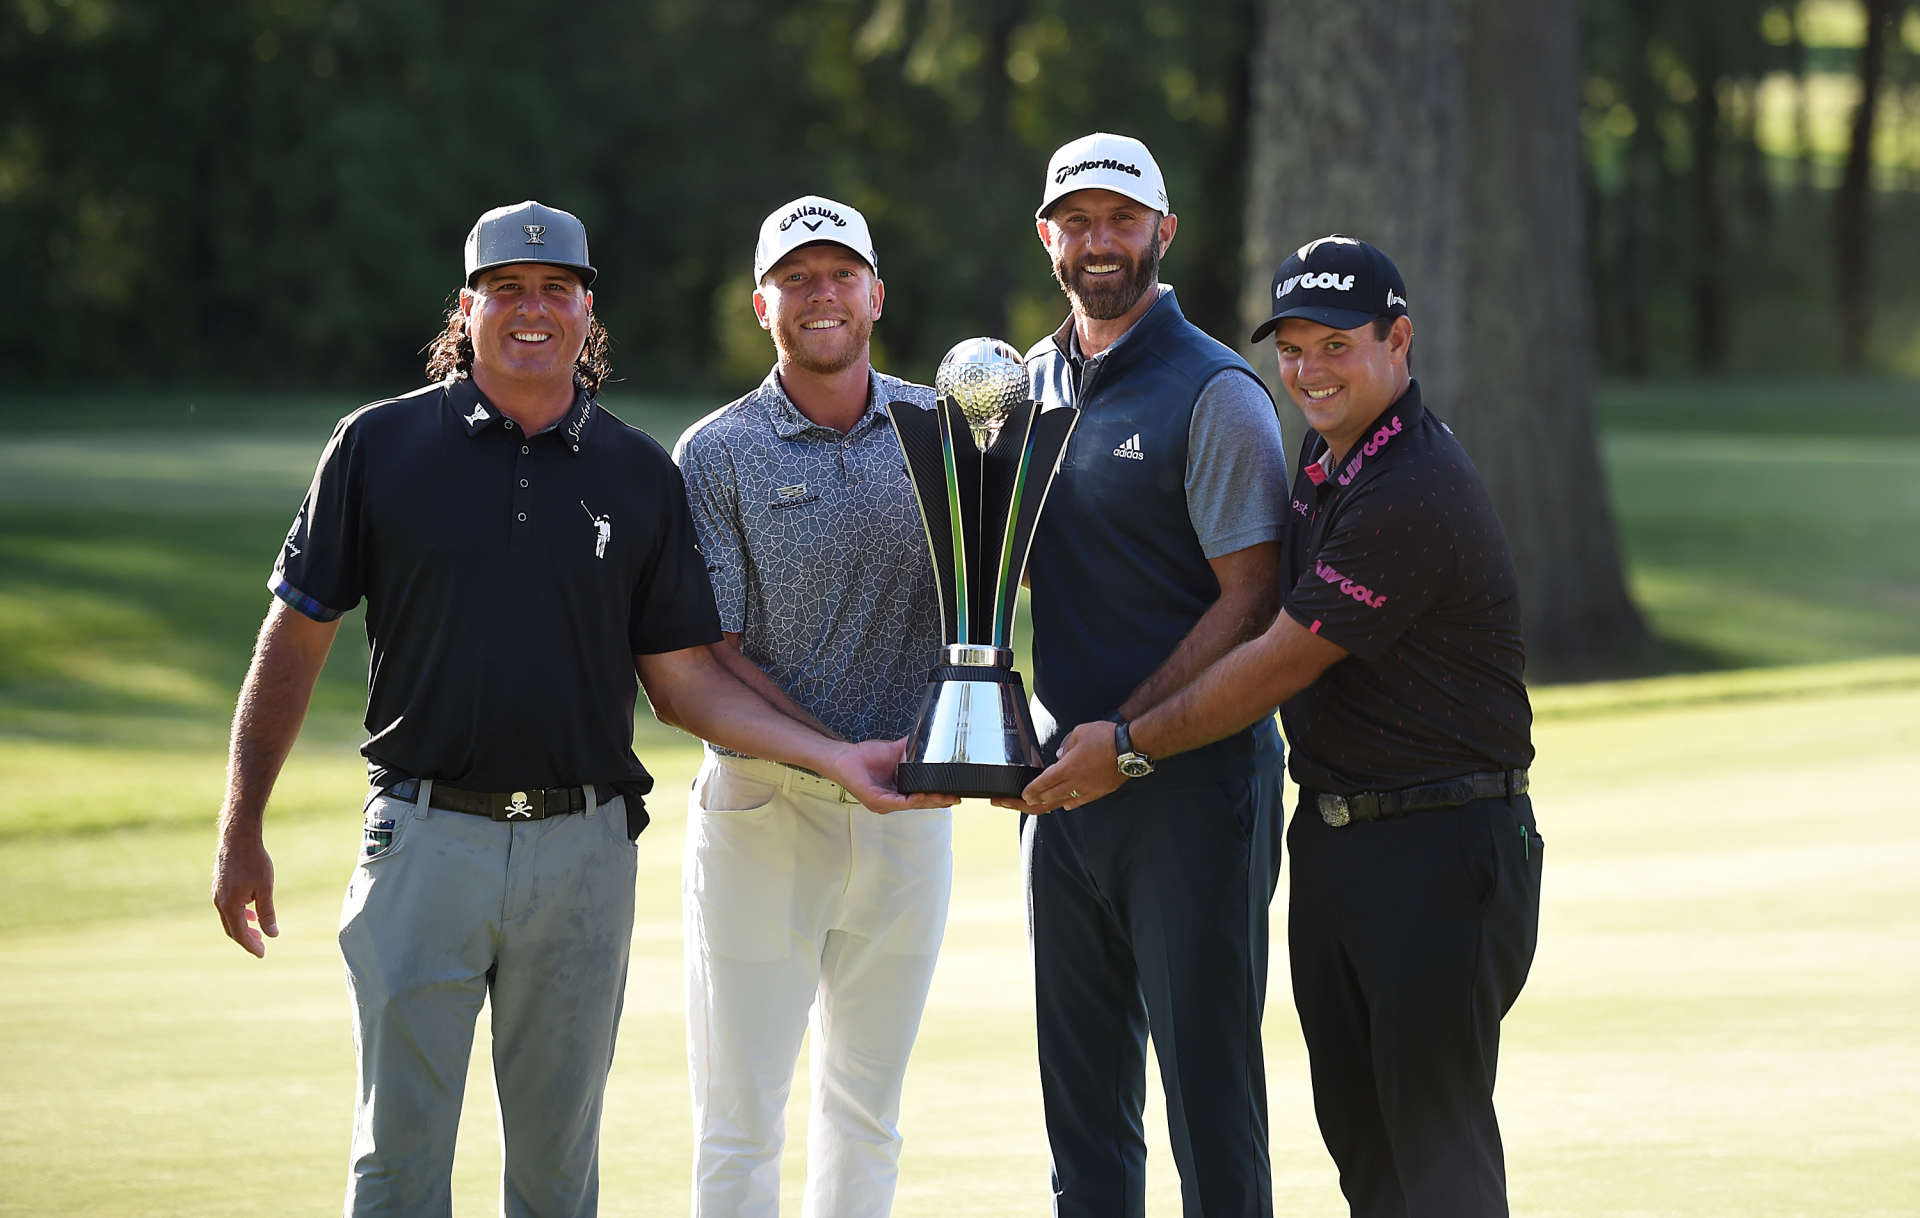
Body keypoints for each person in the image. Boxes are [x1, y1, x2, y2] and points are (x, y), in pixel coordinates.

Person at [208, 200, 942, 1218]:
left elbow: (682, 679)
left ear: (587, 309)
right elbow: (295, 636)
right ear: (467, 309)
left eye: (556, 290)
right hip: (423, 838)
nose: (532, 310)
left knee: (559, 1181)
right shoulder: (378, 447)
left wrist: (849, 757)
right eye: (507, 289)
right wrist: (240, 827)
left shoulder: (636, 470)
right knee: (397, 1167)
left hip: (585, 851)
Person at [1029, 235, 1543, 1217]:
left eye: (1336, 347)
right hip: (1344, 837)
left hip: (1444, 842)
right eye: (1293, 348)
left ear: (1399, 341)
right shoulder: (1328, 456)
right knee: (1366, 1146)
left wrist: (1128, 745)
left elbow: (1281, 654)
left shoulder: (1413, 488)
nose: (1309, 373)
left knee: (1438, 1160)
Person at [998, 133, 1295, 1218]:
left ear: (1164, 232)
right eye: (1076, 222)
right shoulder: (1020, 387)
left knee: (1209, 1110)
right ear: (1048, 239)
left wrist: (1119, 735)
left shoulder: (1214, 389)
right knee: (1081, 1119)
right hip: (1064, 798)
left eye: (1122, 219)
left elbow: (1251, 600)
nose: (1099, 242)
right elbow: (1000, 579)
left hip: (1195, 790)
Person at [670, 196, 952, 1218]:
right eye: (797, 279)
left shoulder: (944, 428)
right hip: (761, 816)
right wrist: (837, 756)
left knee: (866, 1115)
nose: (820, 295)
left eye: (840, 275)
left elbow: (985, 606)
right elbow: (713, 652)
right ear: (762, 304)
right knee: (740, 1124)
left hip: (913, 821)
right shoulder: (717, 452)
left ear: (876, 294)